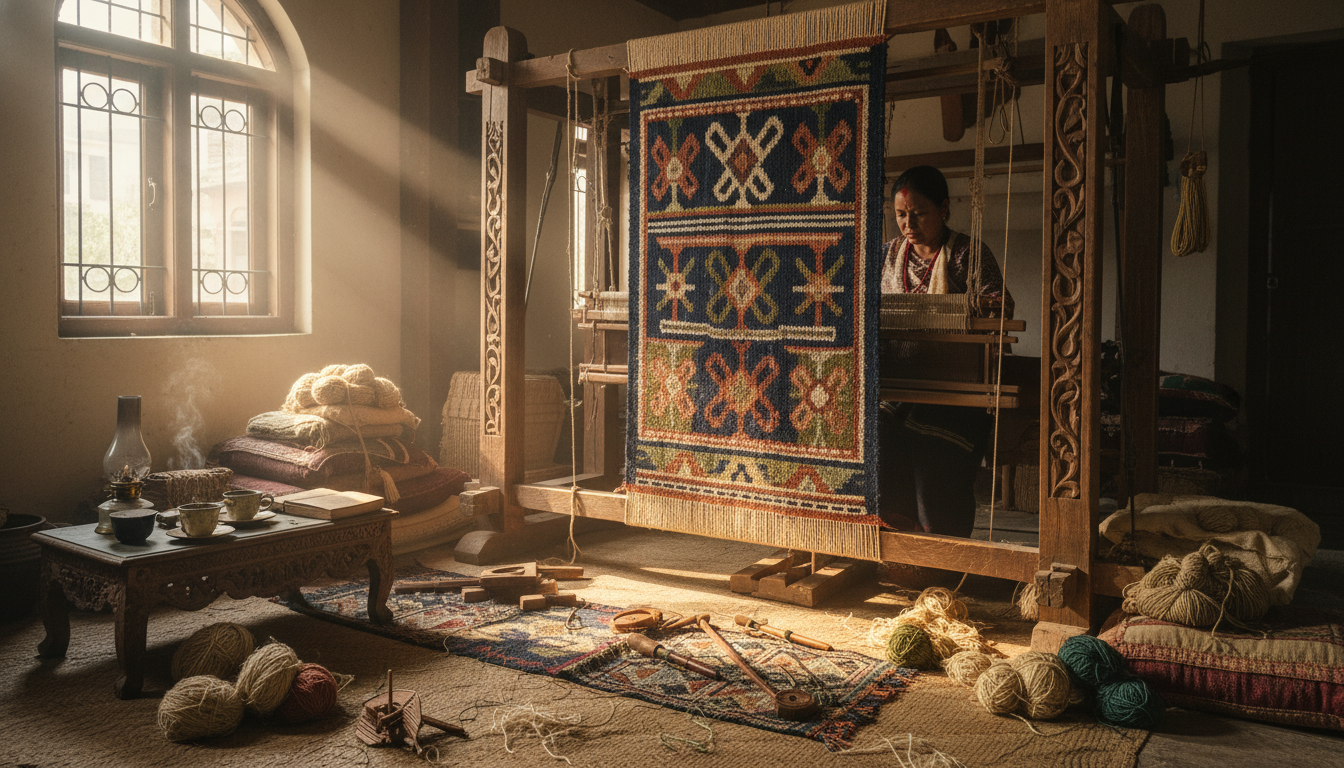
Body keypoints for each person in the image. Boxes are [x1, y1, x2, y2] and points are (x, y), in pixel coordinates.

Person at [878, 165, 1012, 541]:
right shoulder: (887, 255)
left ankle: (940, 543)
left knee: (932, 444)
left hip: (954, 385)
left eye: (919, 213)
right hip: (899, 381)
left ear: (944, 209)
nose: (909, 223)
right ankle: (894, 534)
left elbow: (1002, 306)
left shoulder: (966, 253)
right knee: (879, 429)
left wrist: (974, 308)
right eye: (901, 214)